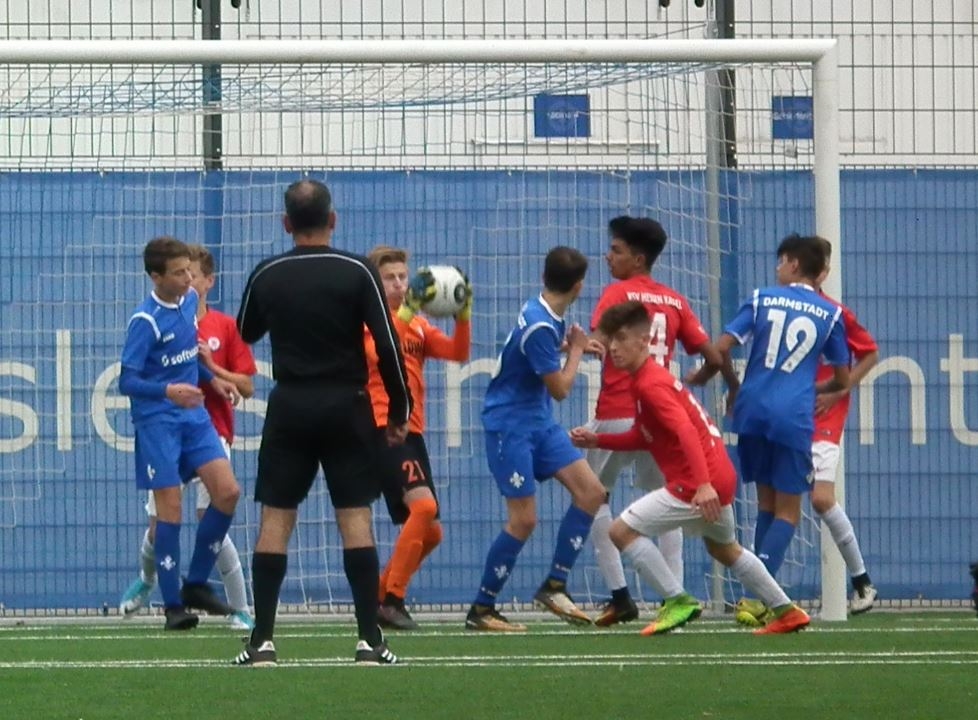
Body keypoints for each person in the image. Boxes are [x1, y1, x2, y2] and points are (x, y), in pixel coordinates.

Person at [233, 179, 411, 667]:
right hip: (347, 406)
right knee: (355, 517)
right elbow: (388, 345)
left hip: (290, 405)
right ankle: (369, 641)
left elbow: (246, 330)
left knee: (275, 518)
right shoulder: (357, 270)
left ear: (285, 223)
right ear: (332, 220)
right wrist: (399, 410)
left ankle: (262, 641)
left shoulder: (267, 272)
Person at [570, 300, 810, 635]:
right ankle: (787, 611)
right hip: (717, 476)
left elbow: (684, 430)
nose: (613, 347)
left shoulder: (650, 384)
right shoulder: (645, 381)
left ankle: (677, 600)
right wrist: (598, 440)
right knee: (724, 548)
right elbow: (644, 436)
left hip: (698, 483)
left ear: (644, 341)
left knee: (620, 532)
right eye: (610, 339)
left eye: (621, 338)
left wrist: (702, 485)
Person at [585, 216, 738, 627]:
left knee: (593, 499)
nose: (608, 257)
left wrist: (573, 348)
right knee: (671, 497)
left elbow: (596, 341)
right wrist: (703, 377)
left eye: (615, 250)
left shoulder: (616, 293)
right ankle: (675, 594)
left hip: (617, 412)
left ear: (638, 258)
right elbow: (714, 355)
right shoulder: (674, 300)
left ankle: (620, 595)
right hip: (657, 421)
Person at [688, 234, 851, 615]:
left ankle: (754, 597)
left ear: (794, 264)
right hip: (792, 416)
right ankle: (757, 597)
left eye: (781, 262)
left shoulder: (761, 299)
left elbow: (720, 349)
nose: (777, 269)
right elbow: (842, 380)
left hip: (751, 409)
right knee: (788, 512)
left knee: (765, 504)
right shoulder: (830, 314)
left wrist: (726, 383)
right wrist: (810, 389)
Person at [465, 246, 606, 632]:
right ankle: (482, 609)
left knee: (591, 492)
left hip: (539, 422)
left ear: (544, 276)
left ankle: (554, 585)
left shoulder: (543, 311)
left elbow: (530, 352)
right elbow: (561, 389)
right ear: (579, 286)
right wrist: (577, 351)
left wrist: (569, 345)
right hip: (510, 426)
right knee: (524, 519)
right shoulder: (541, 325)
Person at [119, 244, 258, 630]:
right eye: (179, 273)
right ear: (156, 278)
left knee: (227, 492)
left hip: (194, 417)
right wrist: (168, 391)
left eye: (189, 272)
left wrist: (213, 380)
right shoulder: (145, 322)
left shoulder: (190, 301)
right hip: (158, 422)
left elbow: (187, 357)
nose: (188, 279)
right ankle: (173, 607)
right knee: (170, 511)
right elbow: (127, 381)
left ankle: (196, 583)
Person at [364, 246, 471, 630]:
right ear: (375, 283)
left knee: (433, 531)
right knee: (423, 508)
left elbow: (458, 352)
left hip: (414, 430)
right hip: (382, 427)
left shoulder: (420, 326)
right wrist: (408, 311)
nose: (398, 284)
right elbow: (382, 352)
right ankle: (393, 599)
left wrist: (463, 313)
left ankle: (378, 595)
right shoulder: (367, 321)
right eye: (389, 278)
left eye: (402, 277)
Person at [806, 237, 879, 614]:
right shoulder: (779, 308)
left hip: (823, 415)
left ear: (823, 273)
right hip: (789, 413)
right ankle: (763, 594)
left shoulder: (836, 313)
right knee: (776, 499)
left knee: (821, 499)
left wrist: (839, 391)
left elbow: (870, 353)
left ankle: (862, 581)